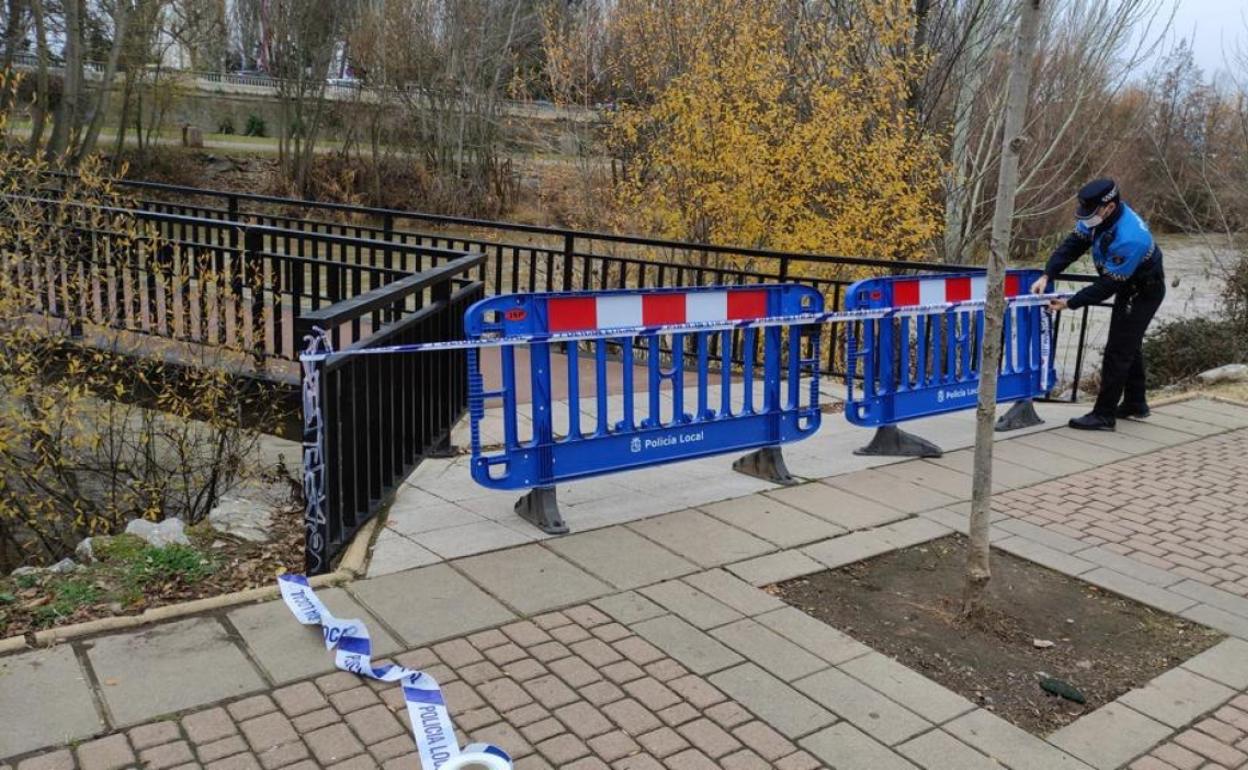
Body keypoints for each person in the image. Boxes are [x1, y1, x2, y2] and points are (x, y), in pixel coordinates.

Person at [1031, 178, 1166, 431]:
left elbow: (1107, 286)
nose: (1085, 218)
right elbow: (1073, 245)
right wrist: (1047, 274)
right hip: (1128, 285)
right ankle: (1136, 403)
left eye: (1091, 213)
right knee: (1128, 343)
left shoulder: (1130, 238)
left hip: (1143, 290)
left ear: (1109, 207)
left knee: (1118, 350)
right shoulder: (1097, 219)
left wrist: (1070, 303)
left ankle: (1104, 415)